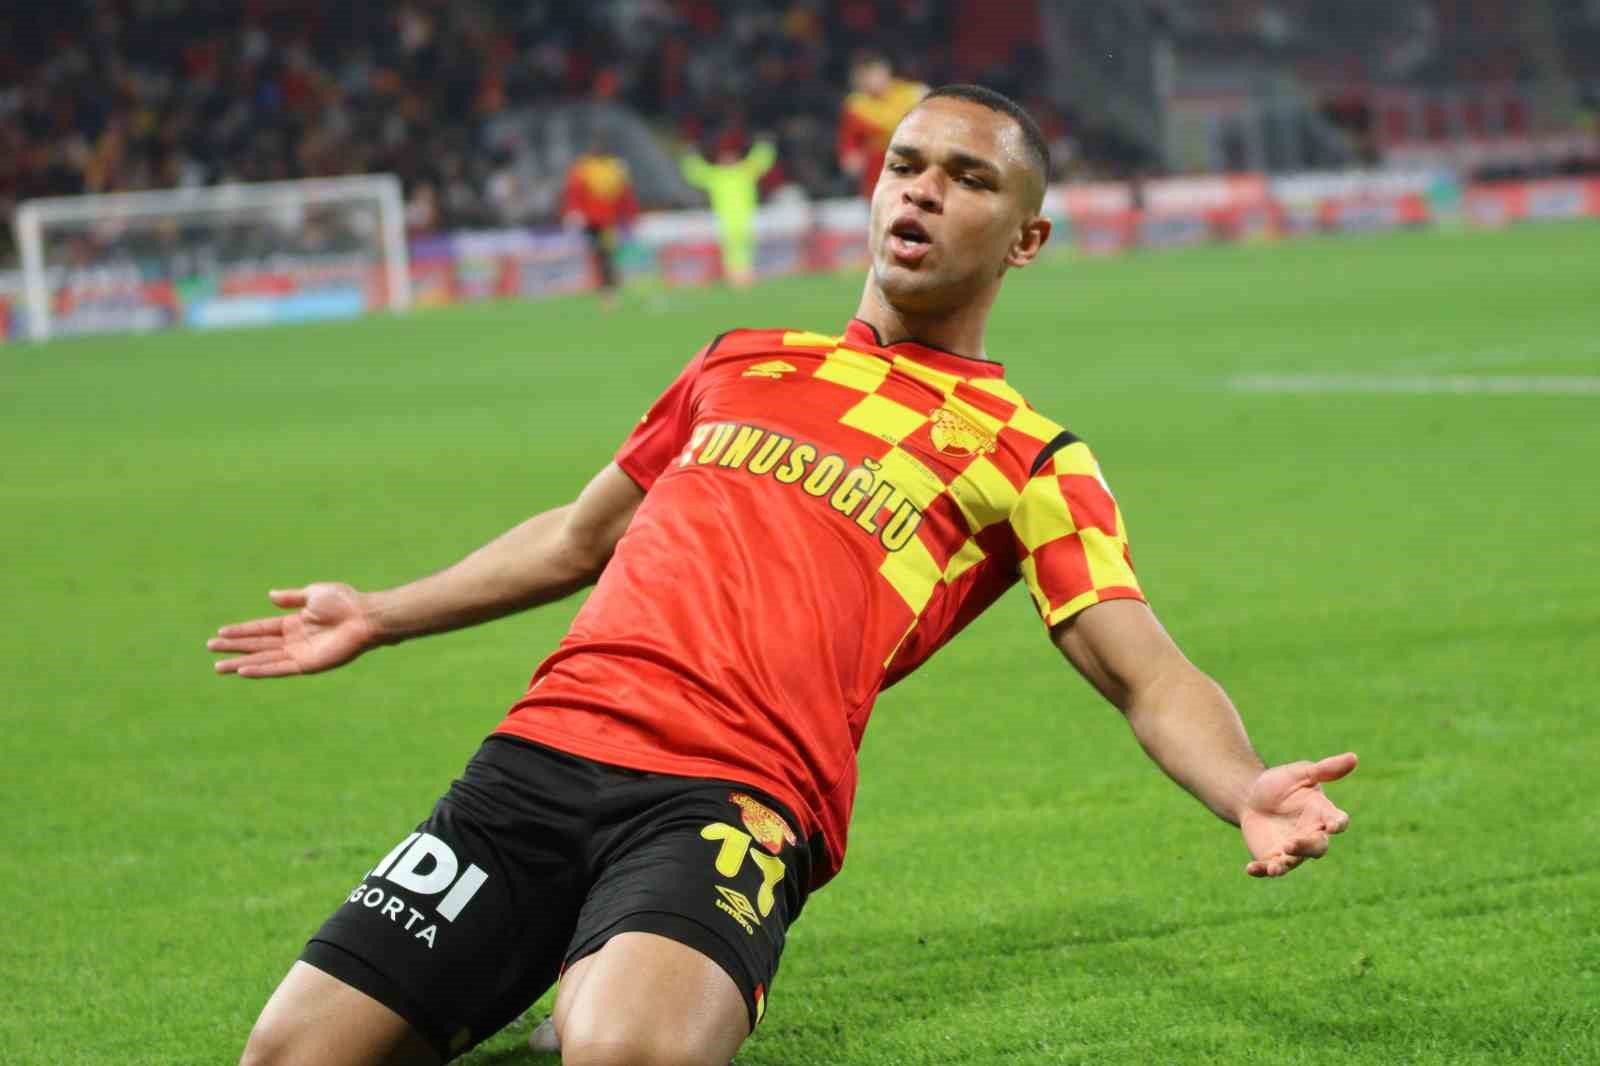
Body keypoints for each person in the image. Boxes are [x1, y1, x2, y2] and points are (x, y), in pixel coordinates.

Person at [214, 85, 1357, 1066]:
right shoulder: (739, 361)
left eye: (966, 179)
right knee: (290, 1051)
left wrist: (1240, 786)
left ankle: (593, 975)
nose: (921, 192)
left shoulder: (1030, 458)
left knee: (624, 1050)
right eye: (905, 165)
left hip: (732, 794)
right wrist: (379, 614)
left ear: (1026, 238)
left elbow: (1143, 669)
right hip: (542, 756)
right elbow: (577, 536)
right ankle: (577, 957)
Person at [679, 138, 777, 288]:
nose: (728, 161)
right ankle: (735, 277)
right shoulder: (718, 176)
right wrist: (689, 157)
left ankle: (745, 276)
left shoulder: (743, 172)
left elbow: (760, 162)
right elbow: (696, 172)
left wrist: (765, 145)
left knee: (745, 247)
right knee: (731, 249)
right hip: (725, 219)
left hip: (745, 217)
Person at [837, 52, 928, 199]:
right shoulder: (857, 105)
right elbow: (849, 138)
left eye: (876, 74)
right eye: (866, 76)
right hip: (878, 167)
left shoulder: (914, 94)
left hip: (915, 159)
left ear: (887, 71)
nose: (872, 80)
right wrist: (850, 155)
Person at [562, 142, 640, 307]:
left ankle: (607, 291)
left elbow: (625, 194)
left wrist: (630, 215)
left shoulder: (599, 168)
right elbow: (575, 192)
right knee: (602, 254)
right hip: (597, 221)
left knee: (603, 254)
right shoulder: (598, 168)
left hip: (602, 222)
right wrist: (574, 211)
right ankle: (606, 289)